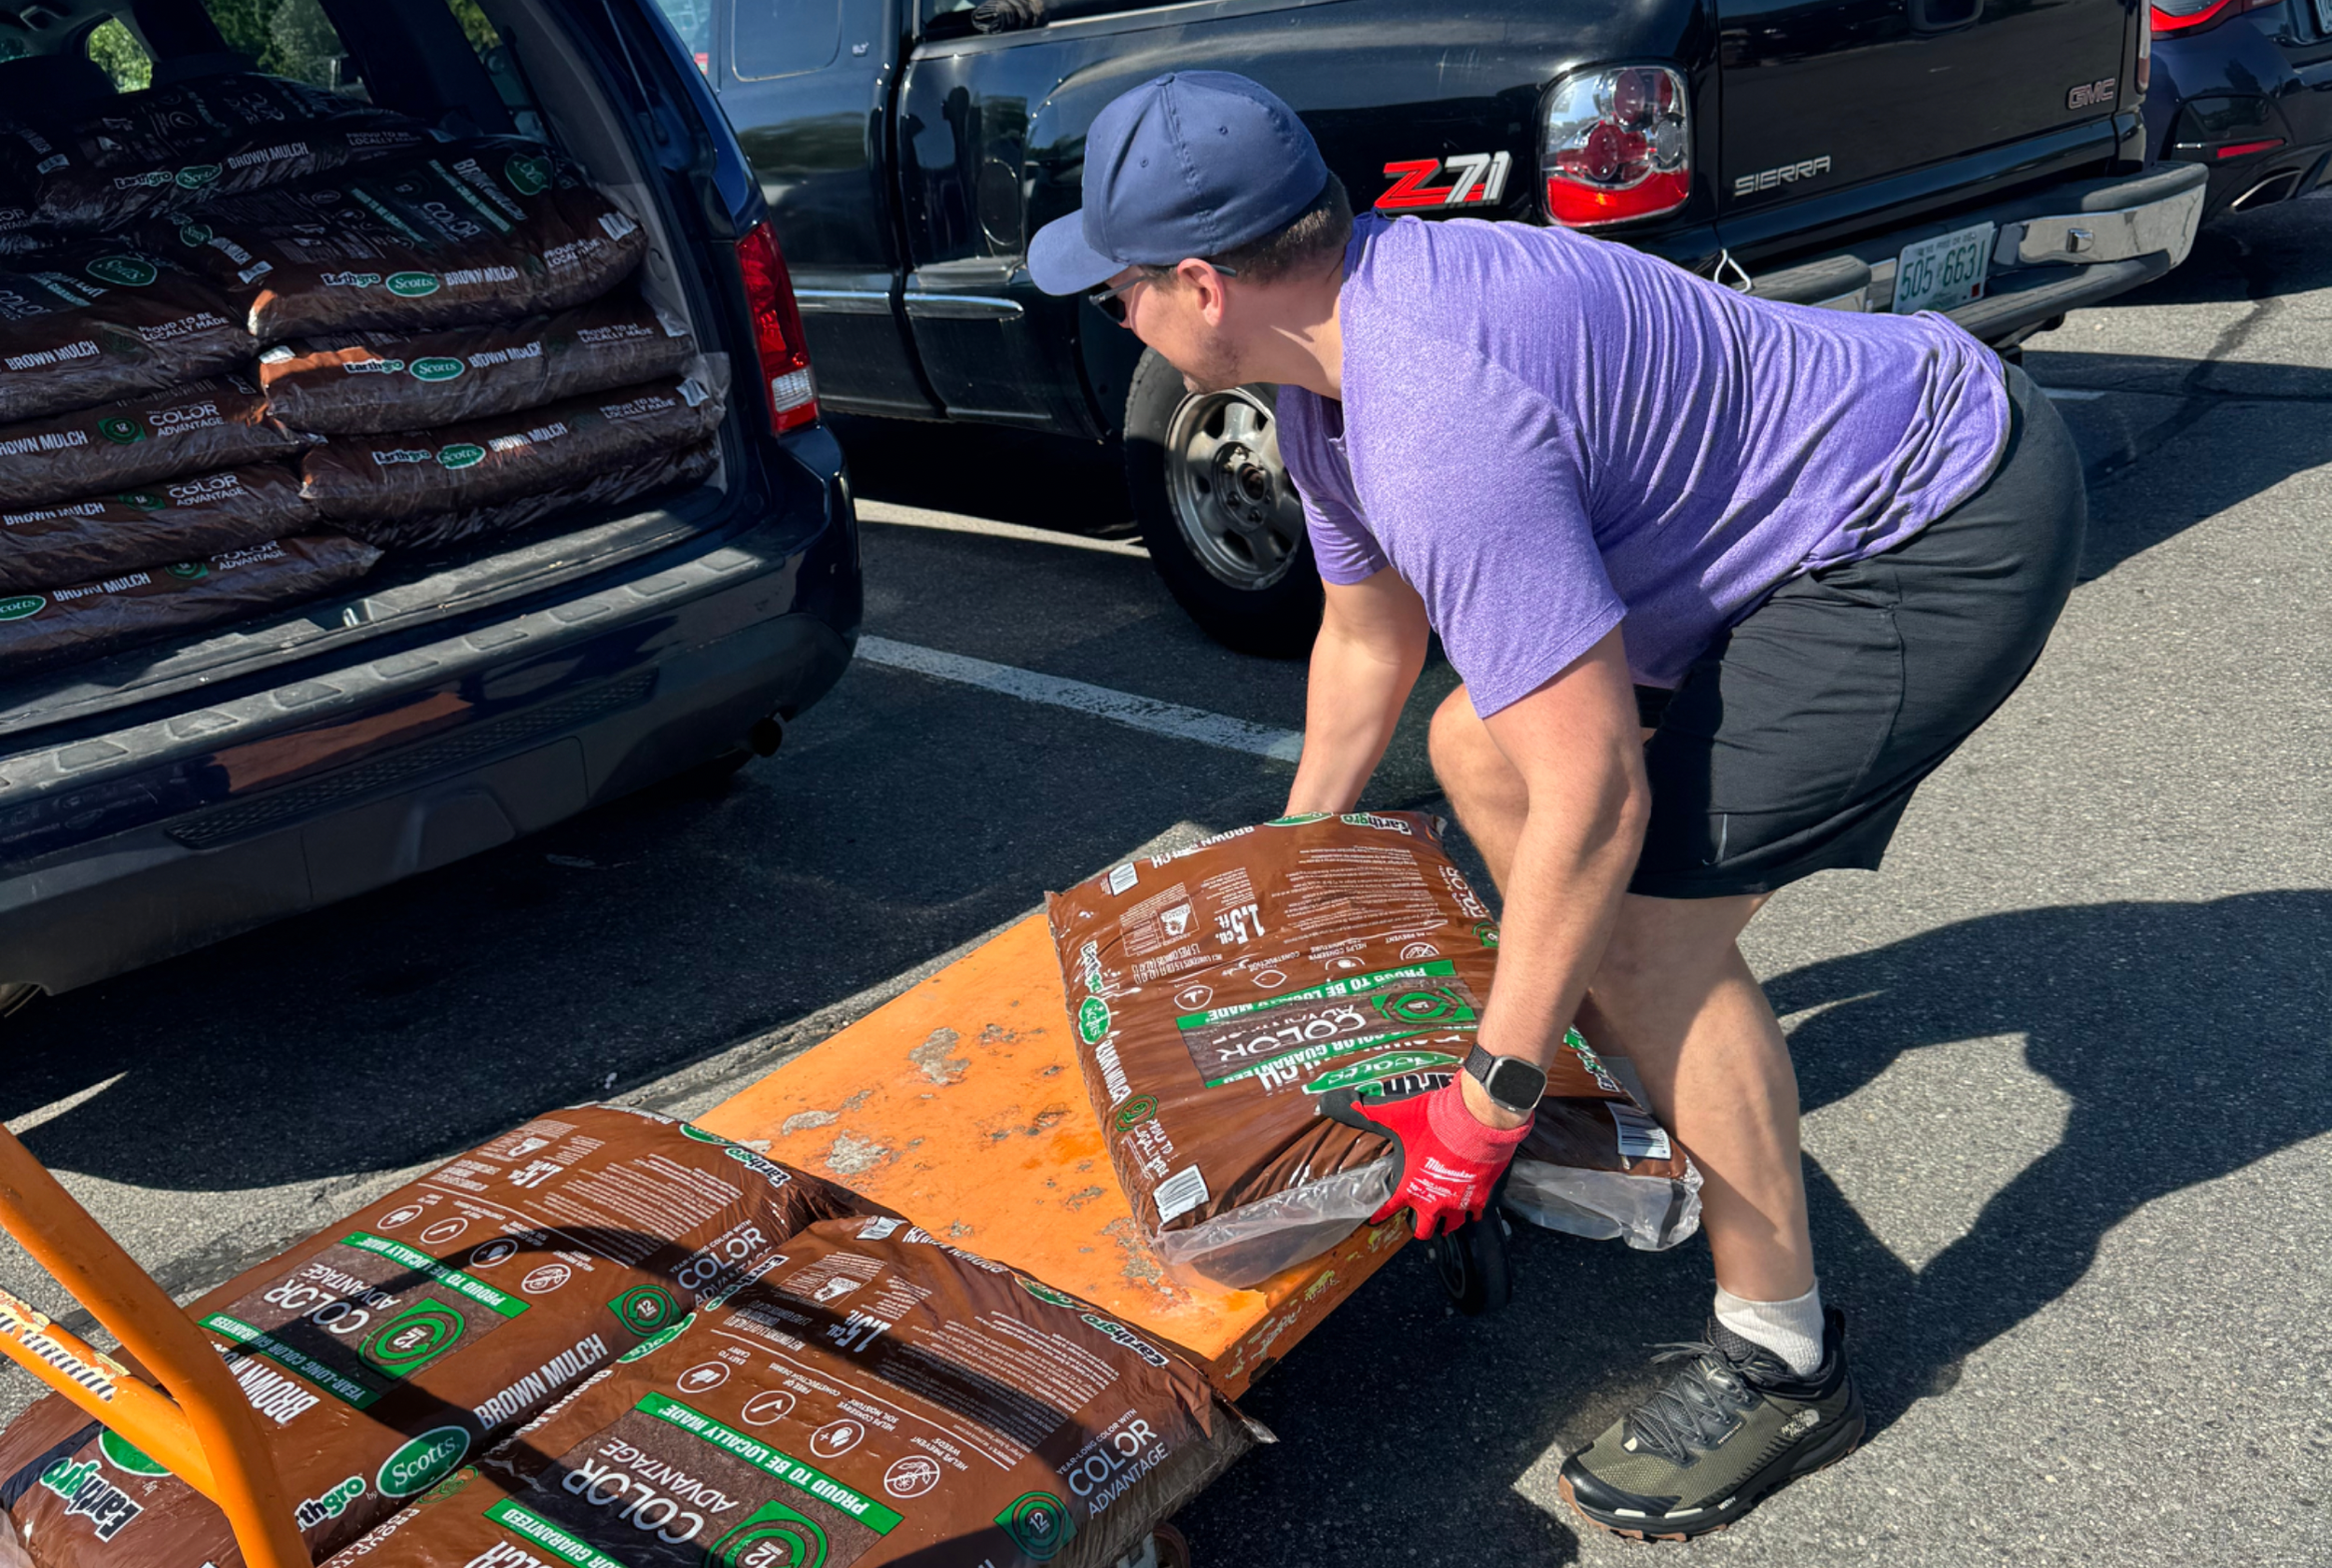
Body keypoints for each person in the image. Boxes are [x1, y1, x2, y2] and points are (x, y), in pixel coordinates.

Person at [1030, 72, 2086, 1538]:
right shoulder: (1328, 370)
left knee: (1654, 941)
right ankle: (1643, 1096)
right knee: (1474, 745)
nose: (1116, 317)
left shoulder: (1434, 413)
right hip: (1802, 495)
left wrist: (1490, 1095)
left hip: (1932, 516)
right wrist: (1279, 870)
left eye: (1119, 291)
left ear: (1202, 286)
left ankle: (1785, 1360)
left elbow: (1595, 791)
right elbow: (1368, 642)